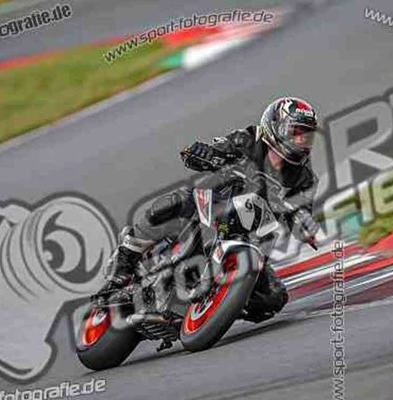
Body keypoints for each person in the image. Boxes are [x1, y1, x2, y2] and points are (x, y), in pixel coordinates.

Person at [91, 97, 322, 322]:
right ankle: (125, 260)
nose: (302, 139)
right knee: (175, 202)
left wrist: (305, 225)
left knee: (274, 298)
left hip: (254, 238)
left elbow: (303, 213)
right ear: (275, 126)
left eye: (307, 135)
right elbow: (215, 148)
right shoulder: (247, 140)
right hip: (214, 205)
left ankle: (221, 303)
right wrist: (203, 153)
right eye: (296, 131)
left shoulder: (305, 179)